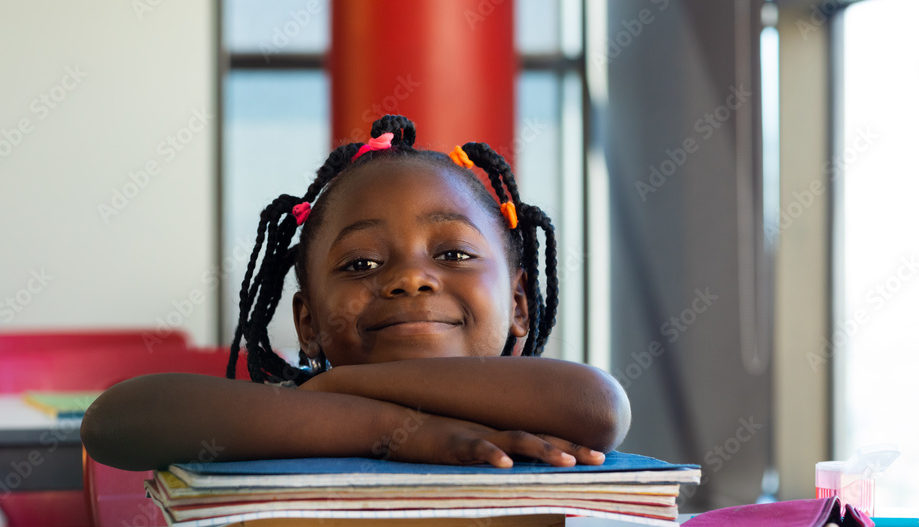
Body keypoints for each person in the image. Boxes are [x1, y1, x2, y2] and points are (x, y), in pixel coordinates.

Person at [81, 115, 630, 471]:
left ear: (518, 305)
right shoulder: (292, 418)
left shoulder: (542, 403)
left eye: (454, 255)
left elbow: (599, 406)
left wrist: (338, 385)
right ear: (308, 324)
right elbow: (115, 421)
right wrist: (389, 428)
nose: (411, 278)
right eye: (361, 262)